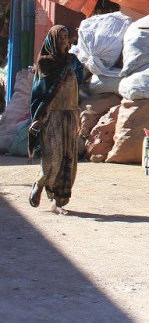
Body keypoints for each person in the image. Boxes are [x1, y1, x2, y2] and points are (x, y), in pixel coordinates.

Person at [28, 25, 86, 213]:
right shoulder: (46, 63)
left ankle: (58, 202)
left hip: (70, 115)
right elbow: (40, 94)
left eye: (66, 37)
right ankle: (40, 182)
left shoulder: (73, 61)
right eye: (59, 38)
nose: (63, 41)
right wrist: (38, 118)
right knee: (53, 157)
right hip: (51, 116)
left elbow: (81, 80)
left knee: (68, 160)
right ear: (51, 40)